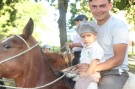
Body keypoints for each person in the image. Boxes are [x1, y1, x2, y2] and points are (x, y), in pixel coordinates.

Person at [78, 0, 129, 89]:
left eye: (102, 6)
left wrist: (91, 68)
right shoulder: (91, 28)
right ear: (89, 7)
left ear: (110, 6)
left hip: (114, 71)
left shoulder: (118, 26)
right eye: (94, 6)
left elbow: (119, 59)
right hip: (95, 69)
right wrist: (84, 64)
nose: (98, 10)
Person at [74, 22, 104, 89]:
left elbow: (94, 62)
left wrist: (87, 73)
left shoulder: (96, 48)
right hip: (85, 72)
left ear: (95, 35)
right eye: (83, 36)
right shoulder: (85, 48)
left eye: (88, 35)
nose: (86, 39)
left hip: (92, 73)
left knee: (90, 86)